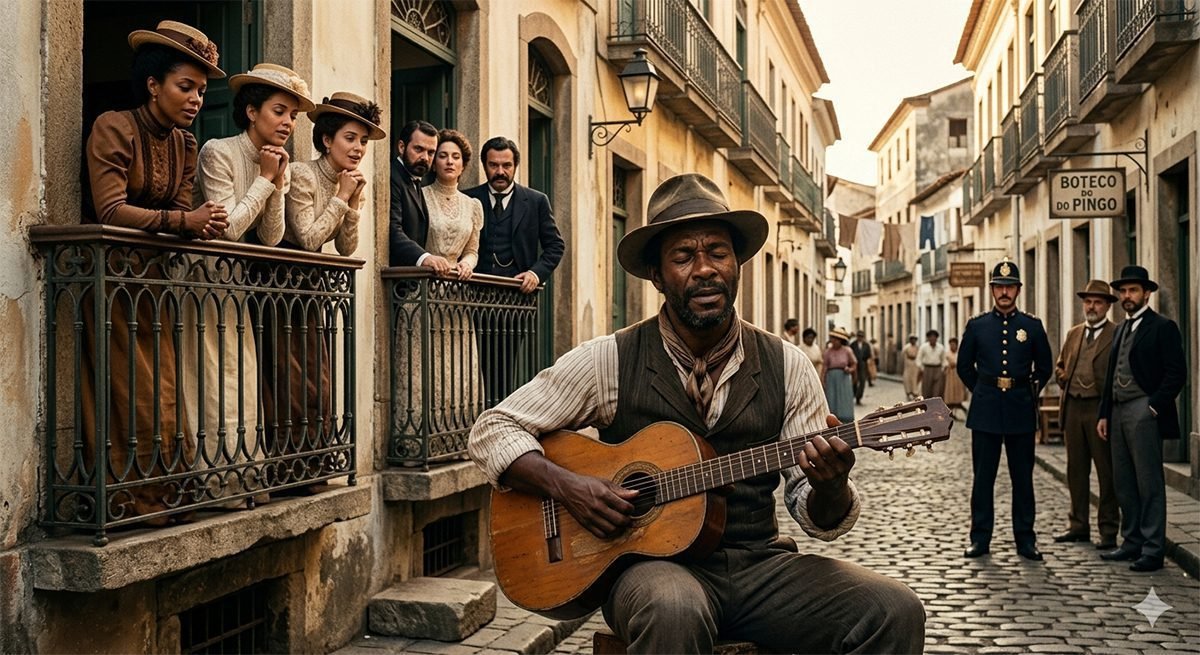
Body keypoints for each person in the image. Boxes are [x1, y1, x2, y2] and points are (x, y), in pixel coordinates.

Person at [469, 174, 924, 654]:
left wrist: (830, 484)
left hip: (759, 569)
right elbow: (492, 429)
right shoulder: (609, 359)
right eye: (684, 257)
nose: (705, 269)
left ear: (738, 264)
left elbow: (814, 513)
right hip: (651, 575)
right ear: (657, 276)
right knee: (673, 608)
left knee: (893, 610)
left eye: (718, 253)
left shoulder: (786, 364)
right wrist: (572, 488)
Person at [83, 20, 227, 522]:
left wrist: (201, 225)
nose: (194, 99)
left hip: (158, 284)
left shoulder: (186, 145)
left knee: (168, 387)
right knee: (131, 390)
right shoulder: (113, 126)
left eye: (202, 91)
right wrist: (185, 221)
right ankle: (130, 501)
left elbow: (182, 211)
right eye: (184, 86)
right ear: (152, 85)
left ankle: (169, 496)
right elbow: (110, 210)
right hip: (113, 283)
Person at [189, 63, 313, 469]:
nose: (288, 123)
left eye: (292, 116)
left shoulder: (279, 162)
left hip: (237, 284)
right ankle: (211, 477)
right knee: (210, 381)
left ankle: (242, 473)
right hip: (202, 280)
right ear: (251, 112)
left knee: (240, 379)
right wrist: (264, 178)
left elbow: (272, 237)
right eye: (280, 111)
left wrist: (277, 185)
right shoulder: (217, 152)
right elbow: (228, 229)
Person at [274, 91, 384, 481]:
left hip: (314, 290)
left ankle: (312, 463)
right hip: (282, 288)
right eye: (350, 138)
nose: (358, 149)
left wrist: (353, 205)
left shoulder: (351, 182)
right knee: (289, 379)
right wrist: (341, 197)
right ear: (326, 140)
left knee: (318, 381)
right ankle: (287, 468)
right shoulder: (302, 174)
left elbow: (347, 246)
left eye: (363, 142)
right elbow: (306, 237)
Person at [957, 260, 1052, 561]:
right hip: (985, 414)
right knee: (983, 480)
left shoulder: (1032, 327)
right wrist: (983, 390)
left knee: (1022, 480)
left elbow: (1045, 367)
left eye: (1010, 287)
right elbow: (963, 367)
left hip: (1021, 412)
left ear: (1019, 290)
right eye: (999, 287)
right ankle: (979, 539)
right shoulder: (977, 326)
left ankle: (1026, 540)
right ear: (992, 290)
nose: (1005, 292)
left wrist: (1026, 391)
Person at [1097, 266, 1187, 572]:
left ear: (1146, 293)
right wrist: (1104, 414)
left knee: (1149, 482)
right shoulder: (1121, 328)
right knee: (1124, 481)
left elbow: (1177, 373)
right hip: (1118, 410)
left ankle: (1152, 549)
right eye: (1123, 292)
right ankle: (1131, 541)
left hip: (1143, 409)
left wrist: (1154, 405)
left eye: (1132, 290)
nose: (1127, 296)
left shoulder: (1163, 326)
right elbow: (1110, 375)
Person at [1052, 280, 1119, 551]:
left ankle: (1108, 529)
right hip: (1073, 409)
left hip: (1099, 409)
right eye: (1088, 301)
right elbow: (1059, 364)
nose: (1092, 306)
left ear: (1106, 306)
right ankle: (1078, 524)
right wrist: (1062, 376)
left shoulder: (1116, 334)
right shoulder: (1074, 333)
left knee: (1106, 472)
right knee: (1075, 471)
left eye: (1098, 302)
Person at [464, 136, 565, 294]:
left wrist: (535, 274)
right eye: (493, 165)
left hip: (519, 297)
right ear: (484, 165)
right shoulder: (468, 199)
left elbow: (555, 246)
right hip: (473, 295)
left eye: (507, 165)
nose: (500, 172)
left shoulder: (536, 201)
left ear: (515, 166)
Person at [388, 119, 439, 267]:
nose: (425, 157)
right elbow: (392, 229)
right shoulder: (392, 176)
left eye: (431, 152)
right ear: (402, 147)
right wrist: (424, 258)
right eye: (418, 149)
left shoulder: (417, 180)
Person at [823, 328, 858, 424]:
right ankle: (832, 421)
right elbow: (825, 367)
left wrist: (849, 369)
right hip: (831, 378)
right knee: (831, 399)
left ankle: (846, 421)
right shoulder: (828, 352)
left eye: (836, 339)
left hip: (843, 377)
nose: (834, 341)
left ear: (841, 340)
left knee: (844, 399)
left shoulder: (847, 351)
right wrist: (823, 380)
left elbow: (854, 364)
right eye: (832, 339)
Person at [942, 337, 969, 419]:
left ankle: (959, 406)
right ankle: (950, 411)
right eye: (951, 345)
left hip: (958, 375)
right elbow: (944, 363)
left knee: (958, 392)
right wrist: (948, 365)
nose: (953, 346)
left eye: (954, 345)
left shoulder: (960, 354)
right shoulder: (946, 354)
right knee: (950, 392)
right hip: (950, 375)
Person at [916, 330, 947, 400]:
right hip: (927, 369)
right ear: (928, 338)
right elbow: (918, 359)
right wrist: (922, 368)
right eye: (931, 337)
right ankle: (927, 407)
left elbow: (944, 360)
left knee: (937, 390)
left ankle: (936, 407)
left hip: (938, 369)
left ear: (936, 338)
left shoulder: (941, 347)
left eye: (934, 337)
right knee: (927, 390)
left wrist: (943, 369)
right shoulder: (924, 347)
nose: (933, 339)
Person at [849, 331, 872, 405]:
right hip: (855, 365)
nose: (860, 338)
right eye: (859, 336)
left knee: (862, 381)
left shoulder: (866, 345)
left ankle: (859, 397)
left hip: (863, 365)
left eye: (861, 336)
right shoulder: (853, 345)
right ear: (857, 337)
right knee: (855, 381)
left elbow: (869, 354)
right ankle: (854, 394)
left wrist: (864, 359)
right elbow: (850, 354)